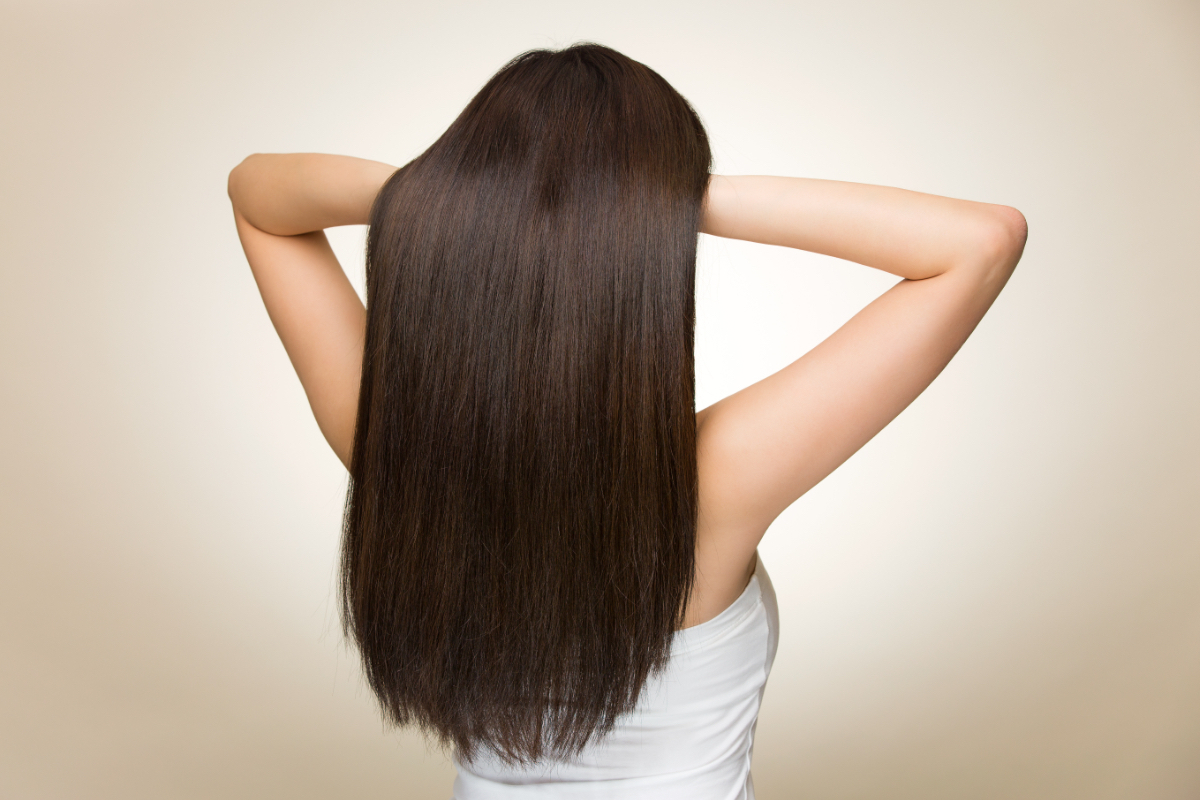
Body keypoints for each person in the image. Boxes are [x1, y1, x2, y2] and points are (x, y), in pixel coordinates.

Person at [227, 42, 1026, 799]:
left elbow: (256, 195)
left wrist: (453, 198)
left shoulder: (396, 448)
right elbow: (982, 241)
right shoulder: (715, 483)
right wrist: (665, 199)